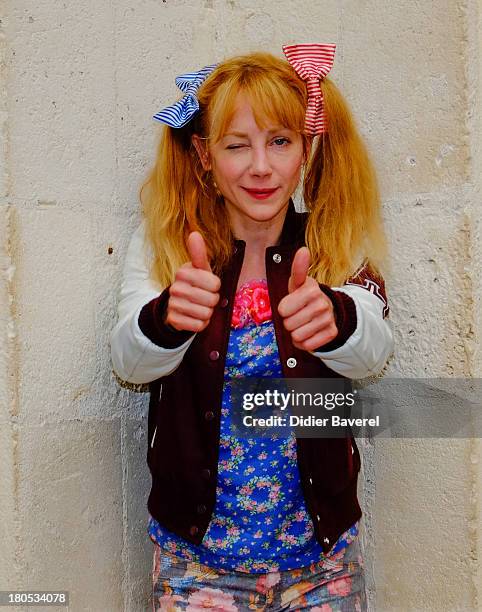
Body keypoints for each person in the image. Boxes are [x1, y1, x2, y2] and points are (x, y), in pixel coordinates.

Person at [110, 44, 394, 611]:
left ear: (305, 150)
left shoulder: (333, 240)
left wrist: (335, 319)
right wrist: (166, 319)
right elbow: (127, 362)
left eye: (280, 142)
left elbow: (374, 350)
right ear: (204, 156)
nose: (260, 166)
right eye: (237, 145)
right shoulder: (166, 244)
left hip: (322, 562)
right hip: (197, 564)